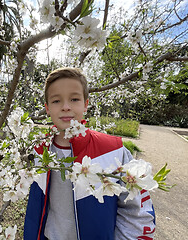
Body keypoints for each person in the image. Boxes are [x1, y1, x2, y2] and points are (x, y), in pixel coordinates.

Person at [24, 67, 155, 240]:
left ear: (86, 104)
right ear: (47, 108)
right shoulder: (39, 150)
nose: (65, 107)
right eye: (56, 101)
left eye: (74, 99)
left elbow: (137, 211)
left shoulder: (113, 150)